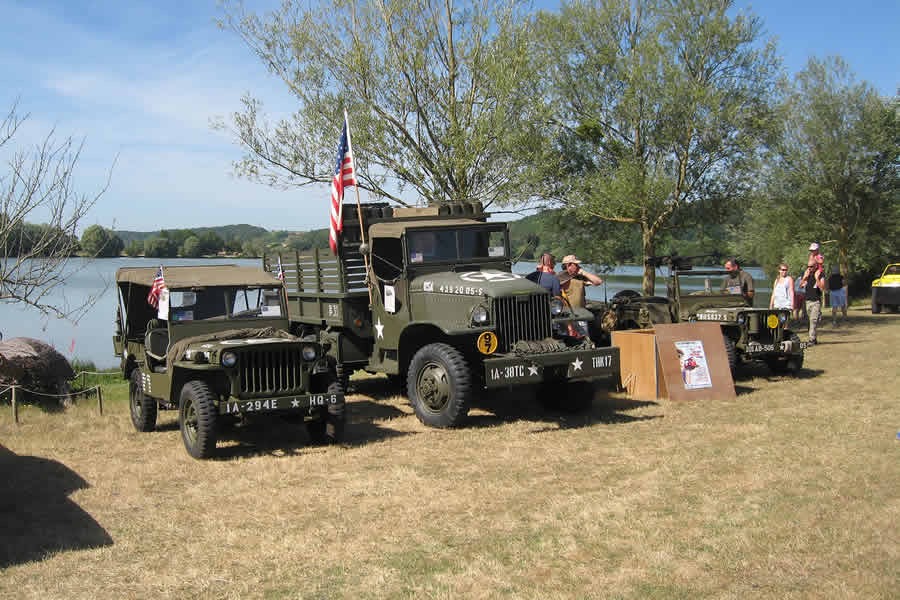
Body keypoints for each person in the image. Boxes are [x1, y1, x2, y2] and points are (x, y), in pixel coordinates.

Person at [799, 254, 826, 344]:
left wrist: (816, 278)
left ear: (816, 266)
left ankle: (811, 339)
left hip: (816, 301)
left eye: (811, 266)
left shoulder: (820, 274)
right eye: (808, 266)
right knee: (809, 321)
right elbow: (801, 286)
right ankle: (814, 339)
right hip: (807, 301)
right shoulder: (806, 274)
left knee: (813, 320)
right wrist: (805, 277)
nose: (809, 268)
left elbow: (822, 288)